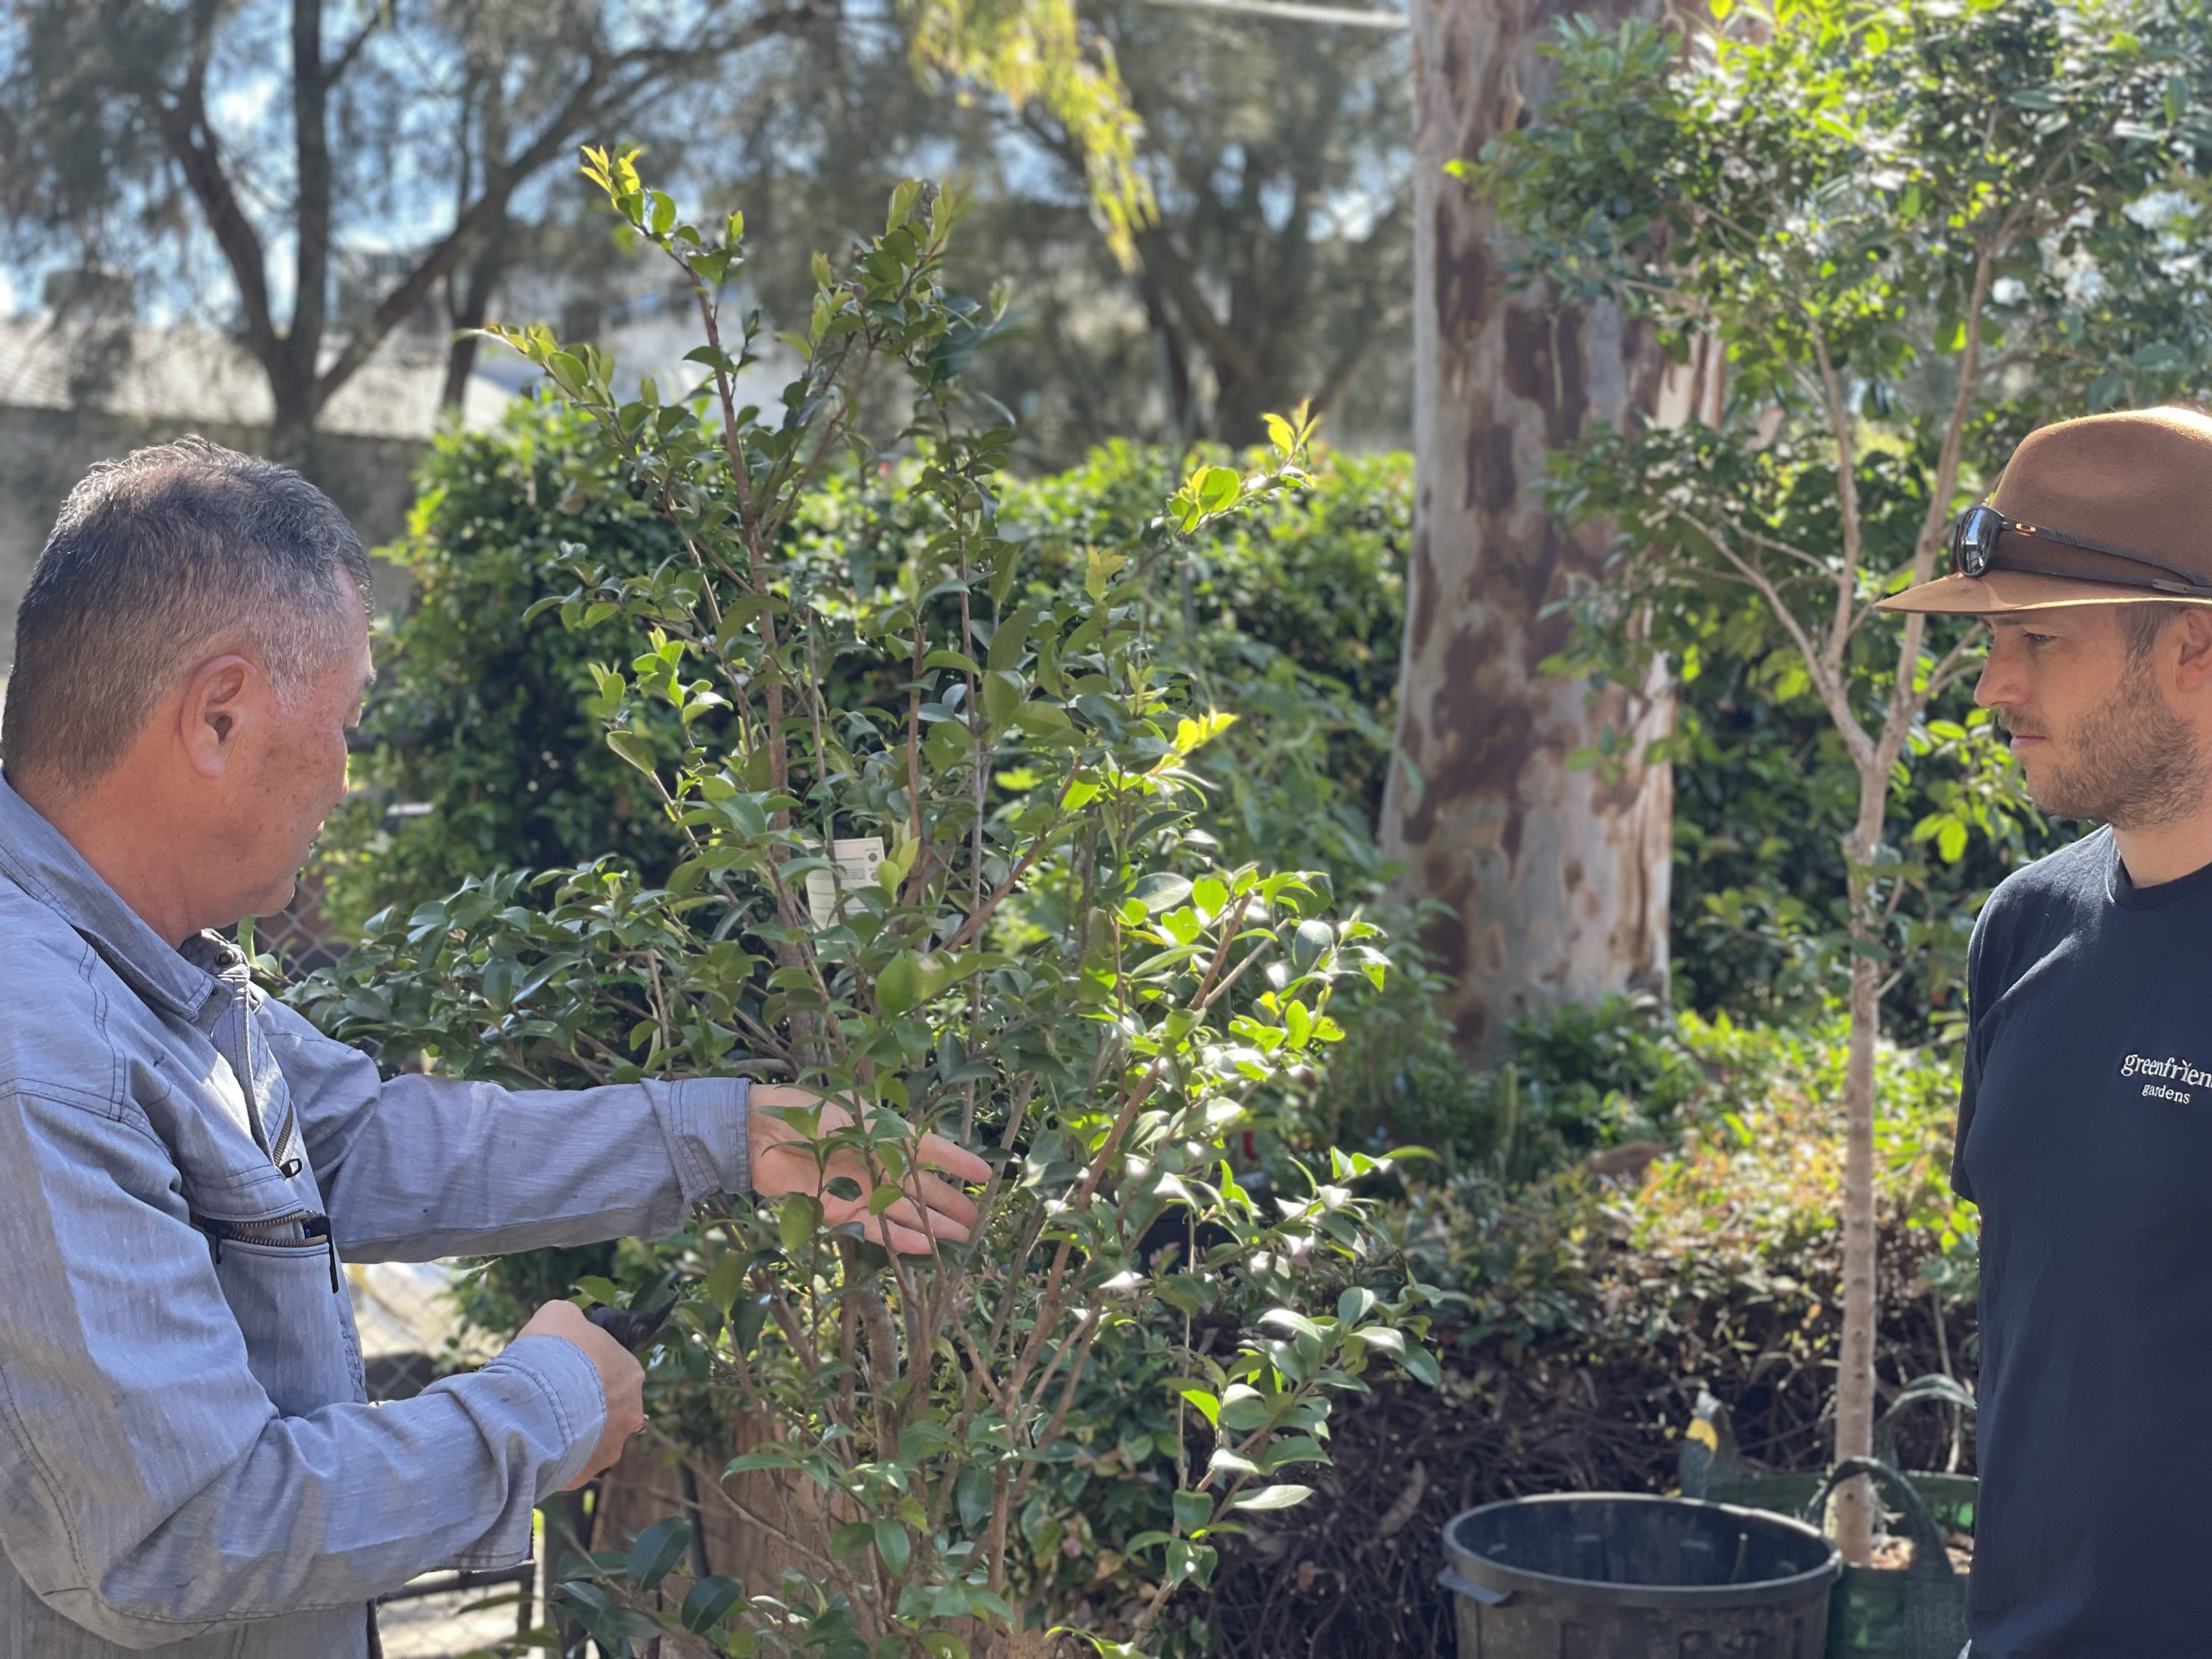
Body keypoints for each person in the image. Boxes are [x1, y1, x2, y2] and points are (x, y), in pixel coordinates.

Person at [0, 438, 990, 1659]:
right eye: (349, 723)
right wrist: (539, 1408)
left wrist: (732, 1130)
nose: (349, 779)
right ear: (219, 713)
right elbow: (176, 1534)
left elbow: (361, 1141)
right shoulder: (42, 1052)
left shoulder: (134, 966)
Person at [1877, 406, 2212, 1657]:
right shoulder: (2022, 928)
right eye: (1990, 637)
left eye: (2041, 640)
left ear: (2192, 644)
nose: (1990, 683)